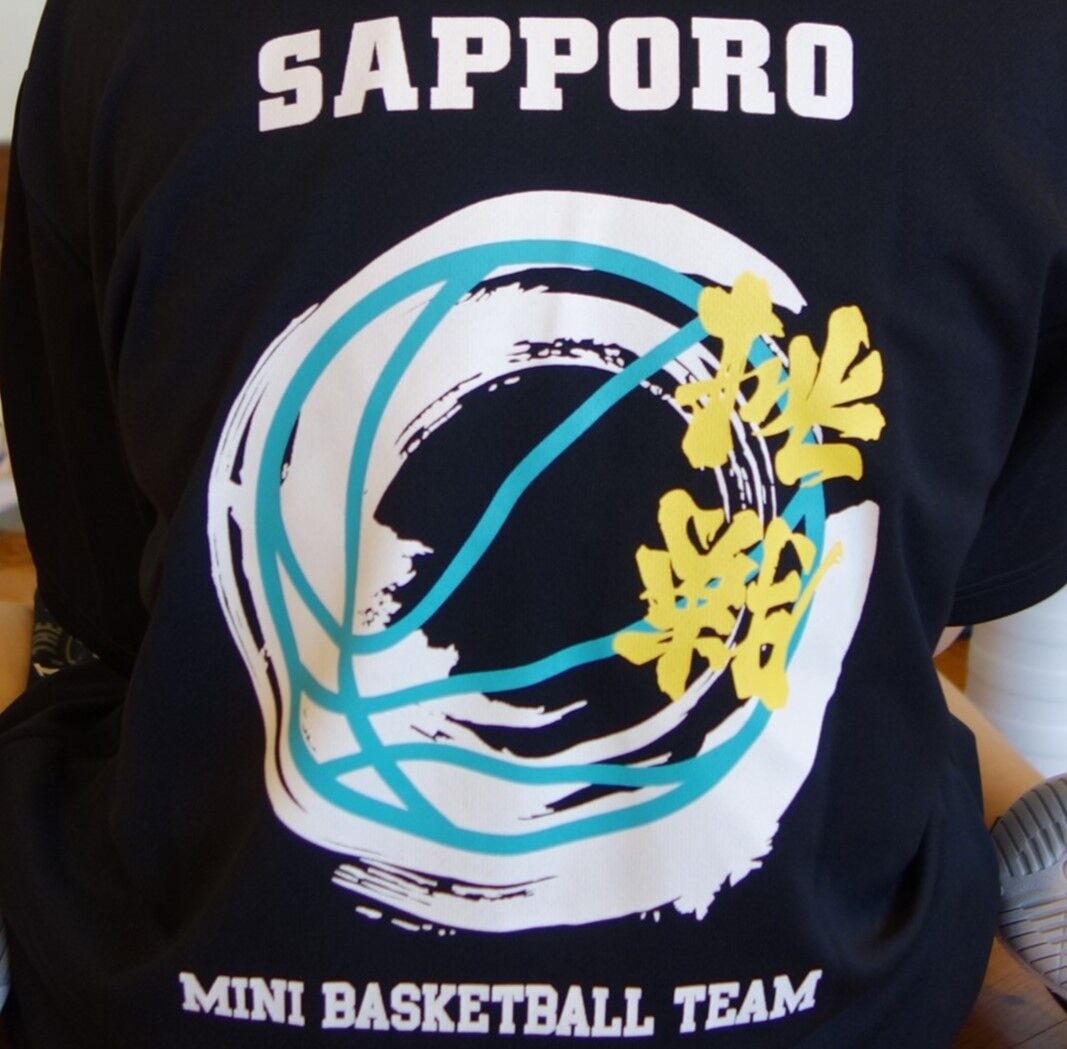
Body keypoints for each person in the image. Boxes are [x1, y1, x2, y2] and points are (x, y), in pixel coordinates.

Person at [1, 3, 1066, 1046]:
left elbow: (111, 593)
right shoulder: (1013, 44)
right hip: (832, 990)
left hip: (186, 980)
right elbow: (928, 596)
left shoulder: (124, 28)